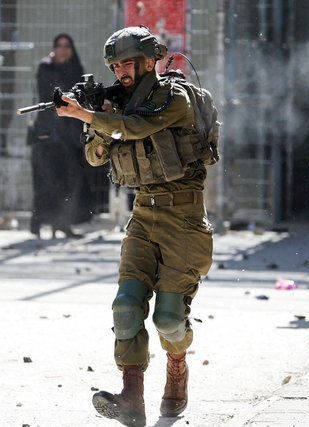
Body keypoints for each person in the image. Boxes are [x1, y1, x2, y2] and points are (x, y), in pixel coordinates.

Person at [56, 26, 215, 426]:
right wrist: (97, 121)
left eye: (127, 63)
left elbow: (140, 127)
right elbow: (95, 157)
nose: (121, 71)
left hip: (184, 217)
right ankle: (132, 396)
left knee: (168, 318)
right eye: (115, 65)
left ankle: (177, 367)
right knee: (126, 305)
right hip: (143, 212)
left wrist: (92, 115)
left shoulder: (174, 97)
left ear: (149, 61)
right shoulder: (115, 104)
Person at [30, 33, 92, 238]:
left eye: (67, 46)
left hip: (70, 135)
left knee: (69, 180)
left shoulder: (77, 69)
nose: (63, 49)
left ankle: (62, 223)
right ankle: (38, 224)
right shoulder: (46, 67)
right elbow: (53, 95)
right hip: (48, 134)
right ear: (54, 48)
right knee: (46, 180)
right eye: (59, 45)